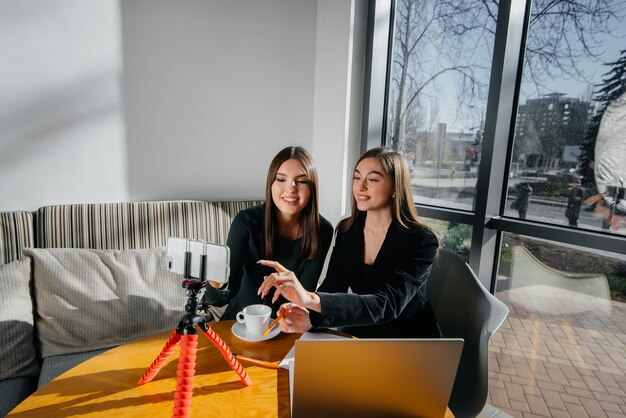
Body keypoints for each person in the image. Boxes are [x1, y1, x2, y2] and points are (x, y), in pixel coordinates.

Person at [258, 147, 441, 338]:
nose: (360, 187)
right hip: (358, 335)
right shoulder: (347, 231)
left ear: (396, 187)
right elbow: (332, 287)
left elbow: (387, 304)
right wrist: (307, 313)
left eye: (372, 179)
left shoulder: (422, 240)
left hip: (410, 342)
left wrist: (310, 298)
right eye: (356, 177)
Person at [203, 146, 334, 320]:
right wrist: (216, 284)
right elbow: (218, 299)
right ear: (270, 184)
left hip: (290, 325)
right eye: (281, 179)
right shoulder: (245, 222)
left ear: (312, 188)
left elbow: (306, 297)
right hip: (240, 322)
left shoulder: (323, 230)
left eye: (301, 181)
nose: (291, 188)